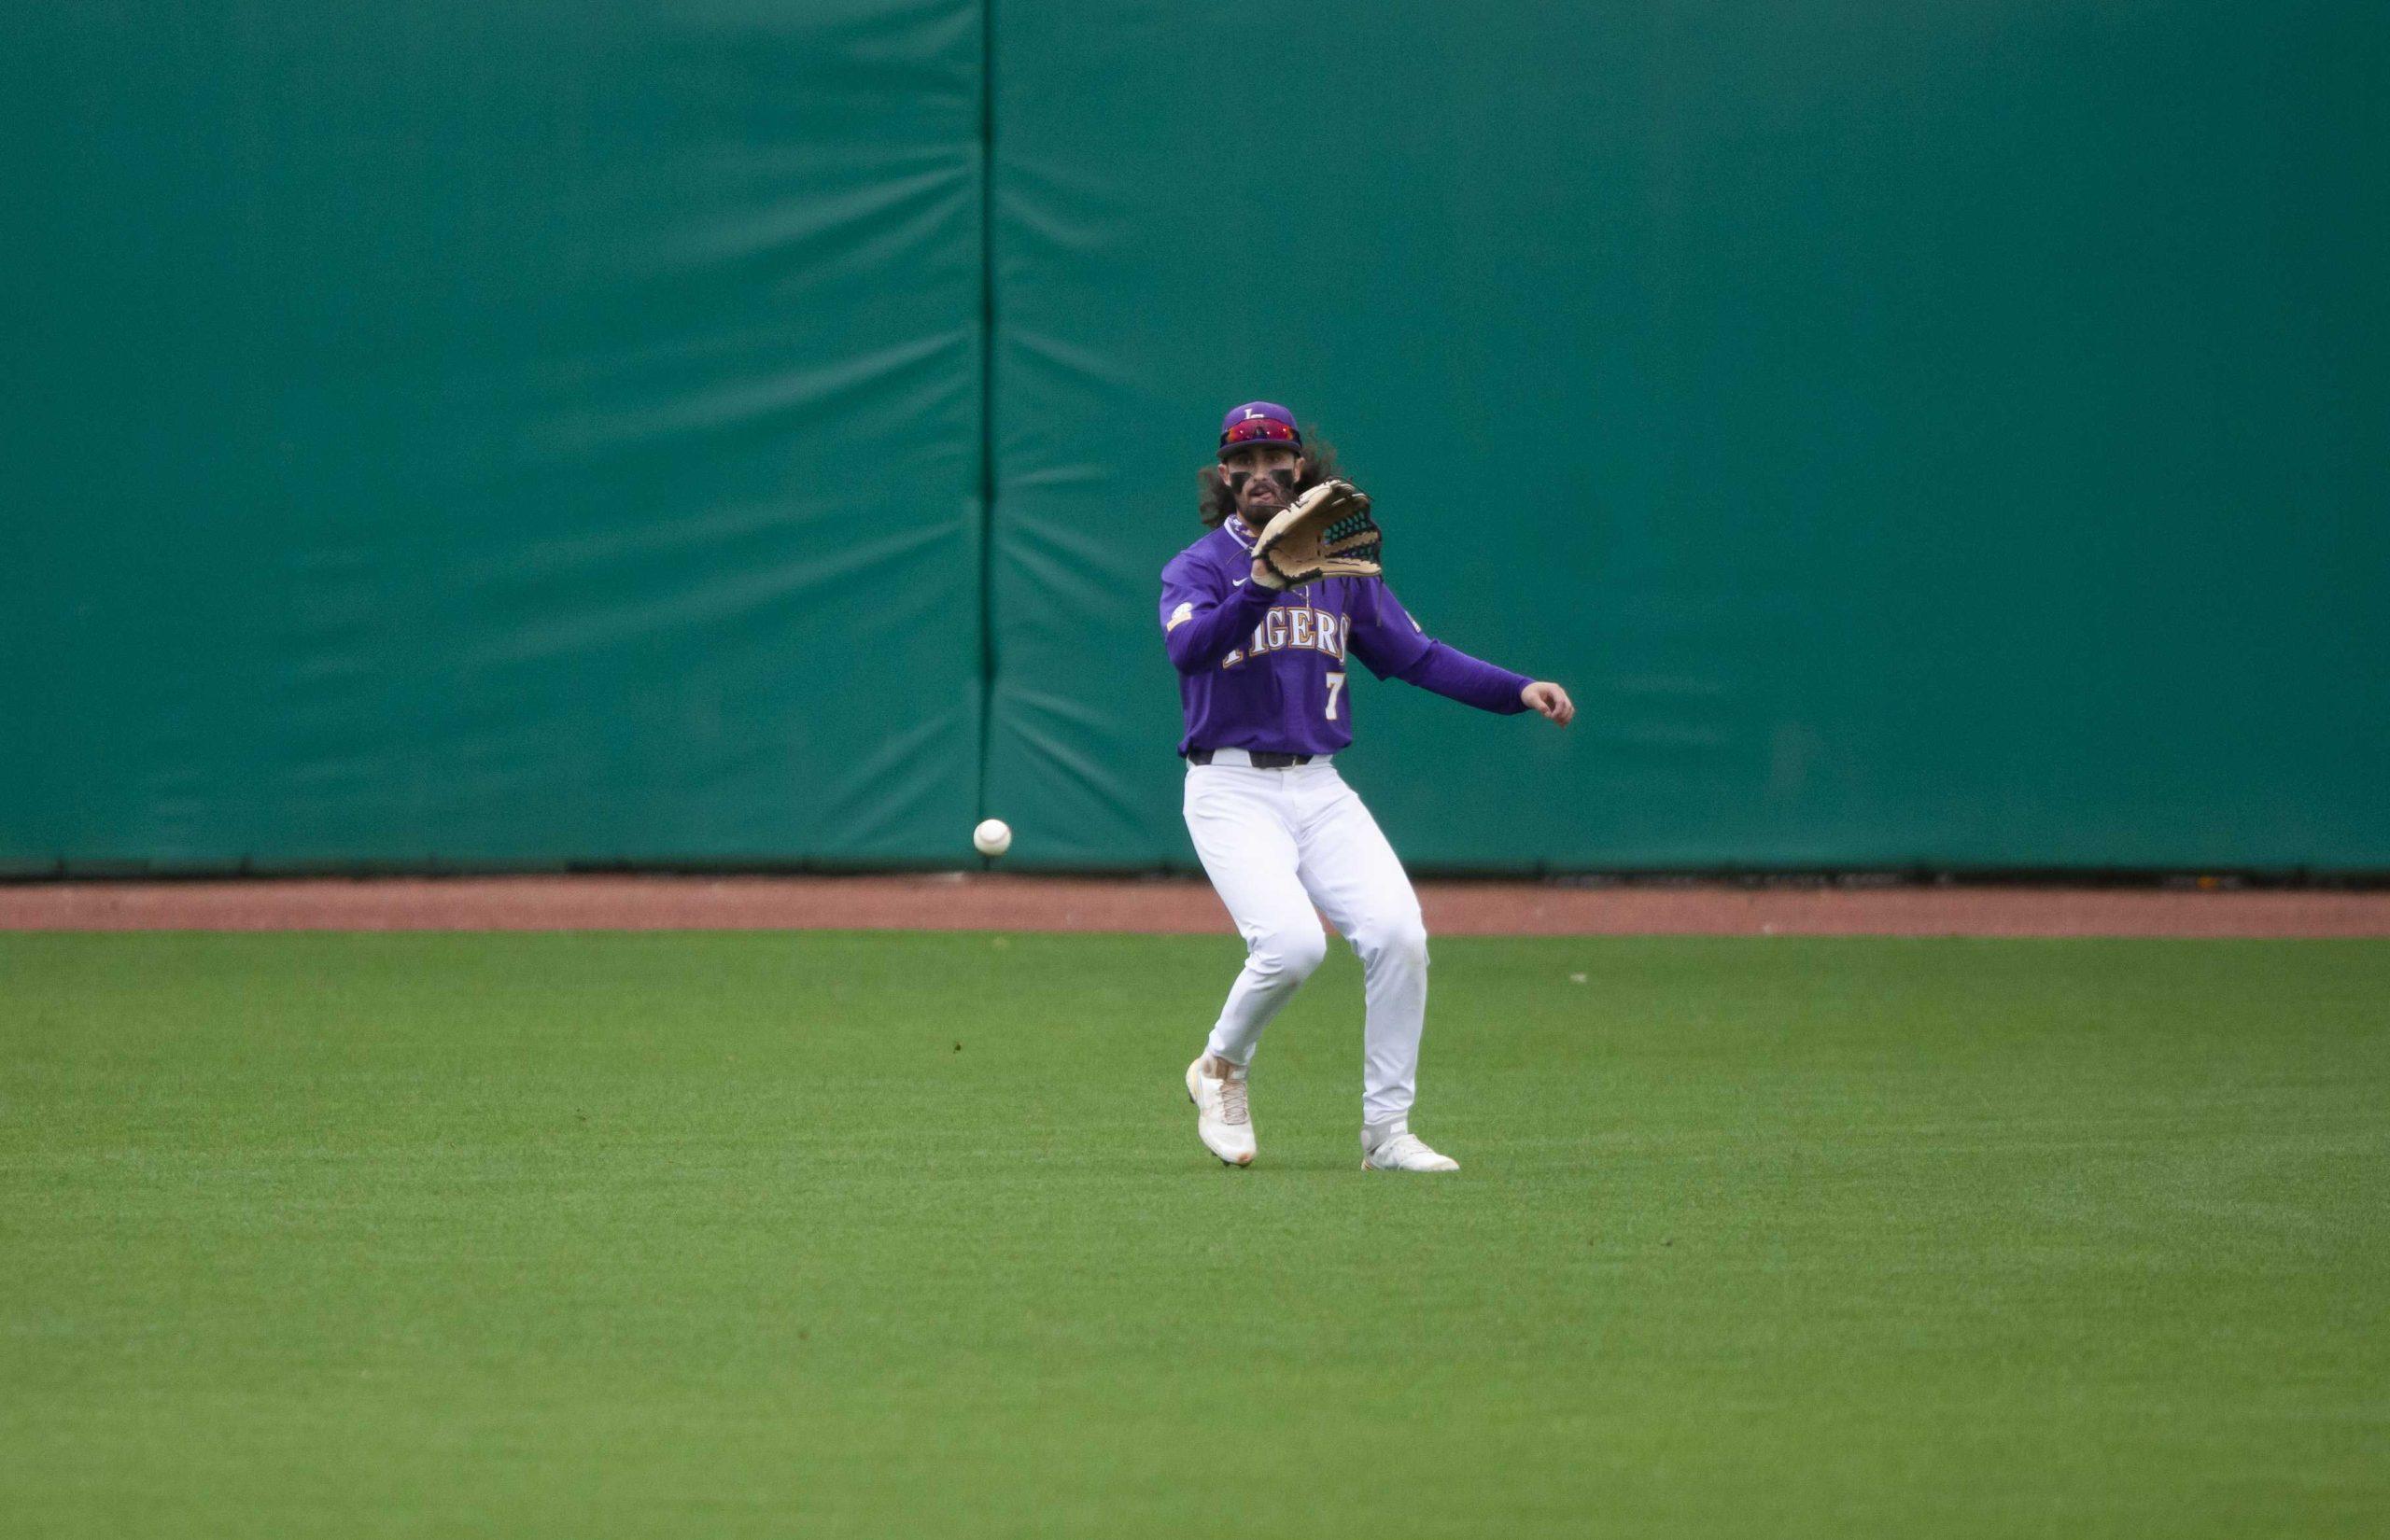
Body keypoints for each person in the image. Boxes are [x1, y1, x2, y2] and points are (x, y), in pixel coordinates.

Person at [1160, 400, 1574, 1172]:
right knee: (1289, 945)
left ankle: (1387, 1134)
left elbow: (1419, 657)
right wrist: (1257, 586)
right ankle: (1220, 1066)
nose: (1259, 473)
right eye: (1242, 463)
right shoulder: (1197, 567)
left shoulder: (1338, 573)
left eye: (1274, 459)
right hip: (1229, 787)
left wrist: (1516, 689)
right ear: (1224, 477)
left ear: (1300, 470)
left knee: (1398, 936)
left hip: (1319, 789)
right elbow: (1189, 649)